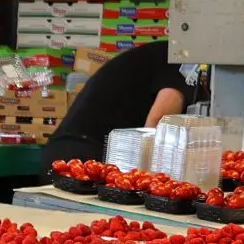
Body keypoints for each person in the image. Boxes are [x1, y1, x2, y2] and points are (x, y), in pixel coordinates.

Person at [42, 39, 200, 165]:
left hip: (75, 150)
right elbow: (159, 122)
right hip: (81, 156)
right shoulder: (183, 63)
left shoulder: (161, 55)